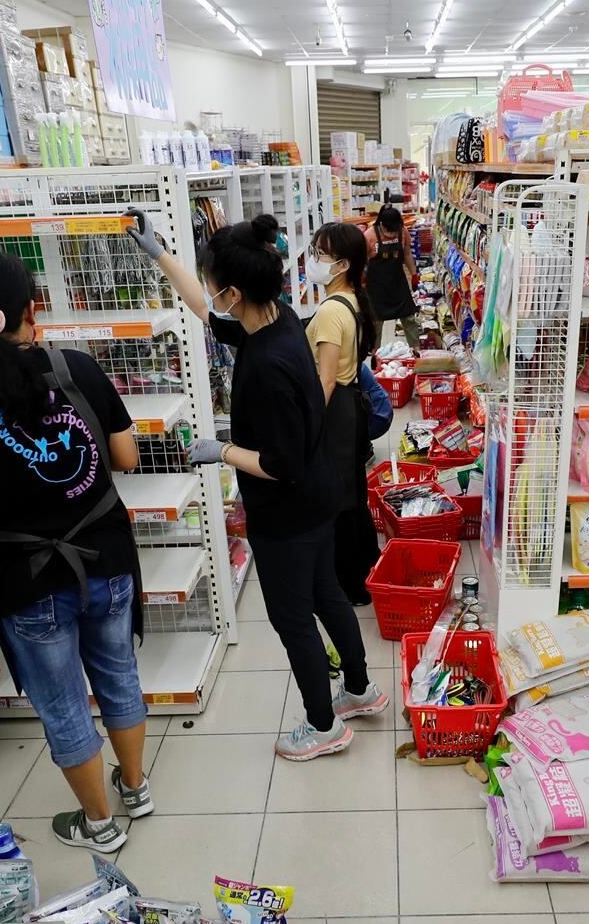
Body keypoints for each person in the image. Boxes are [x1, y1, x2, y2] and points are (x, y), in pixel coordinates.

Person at [0, 248, 150, 852]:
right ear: (31, 310)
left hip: (24, 577)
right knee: (119, 674)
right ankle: (137, 789)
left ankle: (98, 823)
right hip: (105, 556)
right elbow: (126, 458)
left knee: (64, 702)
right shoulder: (77, 370)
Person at [127, 209, 386, 762]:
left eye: (214, 280)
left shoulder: (266, 364)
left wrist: (220, 450)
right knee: (326, 595)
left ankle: (323, 725)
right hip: (320, 493)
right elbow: (204, 311)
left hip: (288, 508)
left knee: (292, 616)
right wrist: (161, 255)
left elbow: (280, 461)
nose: (212, 292)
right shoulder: (280, 318)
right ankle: (360, 690)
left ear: (236, 291)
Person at [307, 221, 383, 605]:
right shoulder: (352, 299)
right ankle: (368, 570)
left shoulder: (329, 313)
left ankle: (350, 583)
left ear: (341, 265)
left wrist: (306, 424)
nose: (314, 260)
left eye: (320, 254)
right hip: (351, 408)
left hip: (336, 412)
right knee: (352, 494)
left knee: (339, 500)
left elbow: (326, 380)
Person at [365, 204, 420, 349]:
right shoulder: (369, 236)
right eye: (390, 231)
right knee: (376, 323)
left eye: (395, 230)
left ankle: (416, 351)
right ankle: (375, 357)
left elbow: (407, 253)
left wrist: (414, 274)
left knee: (409, 318)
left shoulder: (403, 232)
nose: (393, 234)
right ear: (382, 224)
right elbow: (362, 261)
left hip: (398, 282)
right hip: (376, 286)